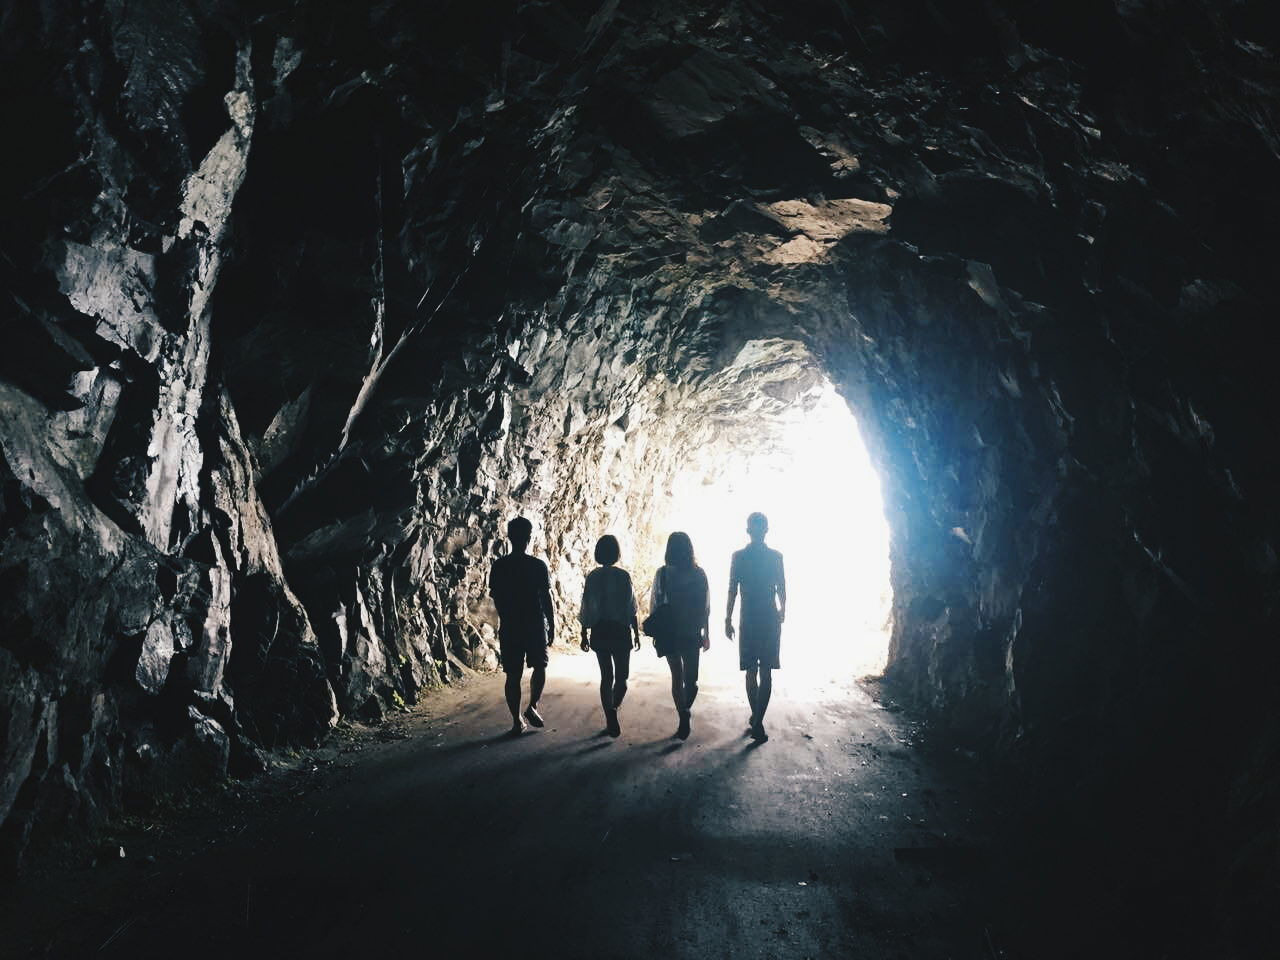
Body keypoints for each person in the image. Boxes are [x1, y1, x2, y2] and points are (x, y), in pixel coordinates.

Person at [489, 516, 555, 735]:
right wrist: (551, 624)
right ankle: (533, 706)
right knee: (540, 666)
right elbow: (546, 598)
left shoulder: (499, 566)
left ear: (509, 537)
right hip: (534, 624)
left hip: (511, 626)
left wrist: (506, 617)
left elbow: (497, 597)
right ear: (529, 537)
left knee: (513, 674)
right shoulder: (537, 565)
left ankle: (517, 720)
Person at [726, 511, 786, 742]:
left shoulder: (738, 557)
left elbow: (732, 588)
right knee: (766, 670)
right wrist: (783, 610)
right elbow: (782, 587)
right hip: (769, 617)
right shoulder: (776, 557)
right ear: (766, 530)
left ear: (748, 530)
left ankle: (756, 717)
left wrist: (727, 618)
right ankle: (759, 719)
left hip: (748, 618)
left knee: (751, 669)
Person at [579, 535, 641, 738]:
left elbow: (587, 607)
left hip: (600, 630)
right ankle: (614, 707)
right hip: (620, 630)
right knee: (622, 678)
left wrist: (584, 632)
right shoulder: (623, 576)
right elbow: (631, 607)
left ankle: (609, 716)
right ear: (617, 553)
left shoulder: (592, 577)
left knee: (606, 677)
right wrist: (635, 631)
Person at [650, 531, 710, 741]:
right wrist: (706, 633)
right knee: (691, 681)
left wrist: (656, 632)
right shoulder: (698, 573)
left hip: (670, 633)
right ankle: (684, 712)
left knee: (677, 677)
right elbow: (705, 607)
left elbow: (656, 604)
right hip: (691, 632)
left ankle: (682, 714)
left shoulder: (662, 573)